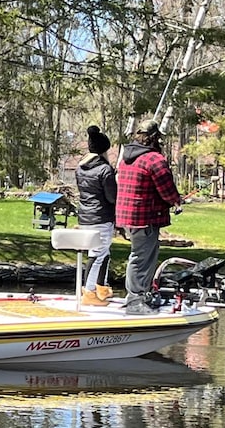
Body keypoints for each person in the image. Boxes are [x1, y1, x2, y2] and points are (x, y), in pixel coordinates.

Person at [115, 118, 182, 315]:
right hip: (145, 217)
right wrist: (176, 201)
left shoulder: (127, 157)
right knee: (142, 257)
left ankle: (138, 295)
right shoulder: (154, 160)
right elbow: (167, 190)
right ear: (154, 139)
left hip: (127, 216)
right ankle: (135, 299)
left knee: (138, 255)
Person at [74, 125, 117, 307]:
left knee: (101, 253)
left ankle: (101, 288)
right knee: (99, 254)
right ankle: (90, 291)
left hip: (85, 216)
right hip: (101, 217)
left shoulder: (80, 168)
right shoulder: (104, 170)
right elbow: (111, 197)